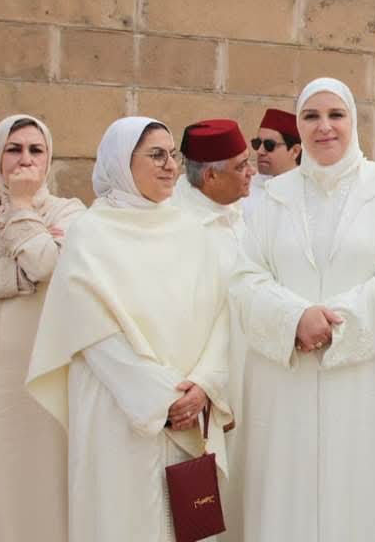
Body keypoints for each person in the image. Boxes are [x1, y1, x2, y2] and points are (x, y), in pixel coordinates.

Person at [231, 78, 375, 541]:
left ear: (353, 121)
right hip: (287, 378)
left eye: (336, 115)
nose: (324, 127)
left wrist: (336, 322)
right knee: (288, 495)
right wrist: (294, 318)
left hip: (366, 376)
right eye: (311, 116)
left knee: (361, 495)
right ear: (298, 126)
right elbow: (245, 276)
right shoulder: (274, 195)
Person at [26, 116, 232, 542]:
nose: (170, 166)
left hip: (187, 410)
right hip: (117, 411)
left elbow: (221, 316)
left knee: (187, 525)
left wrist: (204, 384)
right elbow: (92, 333)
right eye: (156, 155)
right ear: (122, 161)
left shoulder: (191, 232)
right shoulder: (90, 234)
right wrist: (163, 399)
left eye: (172, 155)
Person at [0, 115, 84, 542]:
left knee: (32, 483)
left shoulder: (69, 213)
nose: (25, 160)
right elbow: (32, 270)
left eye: (36, 150)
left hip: (34, 380)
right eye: (14, 149)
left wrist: (22, 206)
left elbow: (44, 264)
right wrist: (16, 277)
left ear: (48, 157)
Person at [170, 118, 253, 540]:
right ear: (210, 176)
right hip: (205, 388)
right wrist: (206, 382)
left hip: (252, 377)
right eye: (241, 166)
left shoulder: (243, 213)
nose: (251, 172)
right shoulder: (176, 225)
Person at [243, 108, 301, 218]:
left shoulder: (306, 194)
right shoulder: (245, 188)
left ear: (295, 151)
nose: (260, 151)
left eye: (269, 145)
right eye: (257, 143)